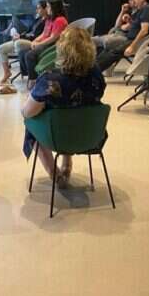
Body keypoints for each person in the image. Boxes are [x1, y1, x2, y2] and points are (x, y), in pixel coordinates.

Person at [21, 27, 106, 187]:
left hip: (57, 138)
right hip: (90, 136)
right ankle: (67, 162)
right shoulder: (96, 75)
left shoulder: (50, 80)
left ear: (61, 49)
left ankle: (55, 174)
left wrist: (26, 104)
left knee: (31, 123)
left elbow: (27, 112)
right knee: (74, 113)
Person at [96, 0, 149, 71]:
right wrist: (130, 21)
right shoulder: (145, 9)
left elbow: (144, 31)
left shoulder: (147, 9)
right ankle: (93, 68)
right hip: (131, 39)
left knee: (113, 51)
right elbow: (138, 26)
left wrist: (132, 46)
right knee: (109, 49)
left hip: (137, 42)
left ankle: (93, 71)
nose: (133, 0)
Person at [0, 0, 48, 85]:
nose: (37, 10)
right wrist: (19, 35)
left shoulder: (46, 22)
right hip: (25, 39)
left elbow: (36, 36)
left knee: (18, 43)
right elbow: (29, 30)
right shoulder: (38, 19)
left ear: (45, 9)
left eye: (39, 8)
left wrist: (20, 37)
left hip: (33, 42)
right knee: (1, 49)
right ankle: (7, 73)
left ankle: (24, 67)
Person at [22, 0, 69, 88]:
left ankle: (33, 80)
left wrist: (39, 44)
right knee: (22, 52)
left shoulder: (60, 20)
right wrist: (35, 41)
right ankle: (31, 75)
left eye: (48, 6)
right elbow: (44, 33)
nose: (46, 8)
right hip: (46, 43)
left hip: (52, 46)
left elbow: (53, 38)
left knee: (29, 55)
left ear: (53, 8)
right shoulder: (50, 19)